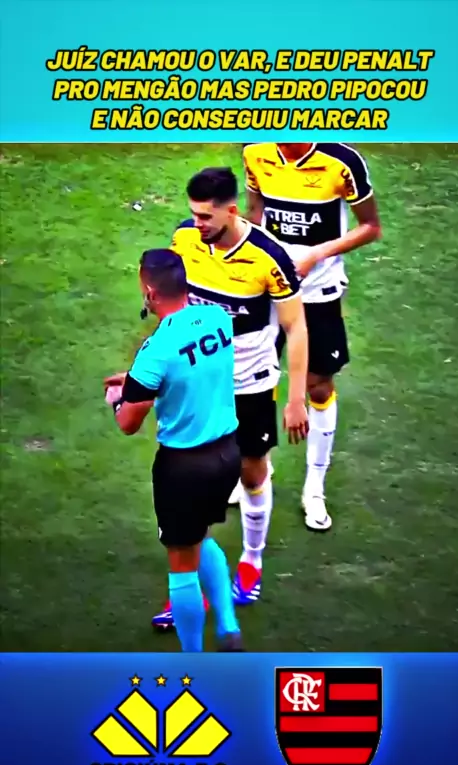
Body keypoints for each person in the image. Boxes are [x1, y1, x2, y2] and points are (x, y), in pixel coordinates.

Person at [152, 166, 309, 629]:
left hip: (250, 384)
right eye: (194, 214)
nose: (197, 224)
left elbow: (296, 326)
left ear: (232, 210)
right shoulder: (185, 240)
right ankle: (191, 587)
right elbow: (177, 310)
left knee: (251, 469)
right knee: (189, 482)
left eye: (206, 216)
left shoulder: (268, 257)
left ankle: (251, 561)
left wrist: (295, 399)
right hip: (200, 383)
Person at [104, 248, 244, 652]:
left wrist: (117, 397)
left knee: (182, 565)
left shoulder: (157, 350)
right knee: (201, 536)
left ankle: (193, 663)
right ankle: (228, 627)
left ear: (150, 291)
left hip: (184, 468)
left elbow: (128, 422)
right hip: (227, 454)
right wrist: (135, 379)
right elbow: (191, 366)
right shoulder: (218, 319)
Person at [242, 142, 382, 531]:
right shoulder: (255, 151)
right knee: (254, 381)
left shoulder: (342, 161)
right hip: (267, 290)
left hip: (319, 291)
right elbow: (257, 212)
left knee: (318, 385)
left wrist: (316, 254)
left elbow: (371, 227)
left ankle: (314, 487)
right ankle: (256, 466)